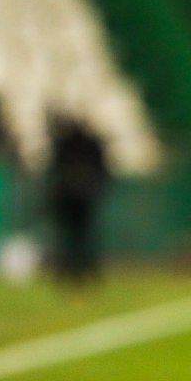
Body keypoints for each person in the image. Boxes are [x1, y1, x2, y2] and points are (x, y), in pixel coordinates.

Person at [47, 110, 108, 283]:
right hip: (68, 198)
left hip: (84, 198)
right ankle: (67, 270)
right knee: (68, 237)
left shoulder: (88, 144)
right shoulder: (65, 144)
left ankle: (85, 270)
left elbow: (101, 169)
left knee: (83, 236)